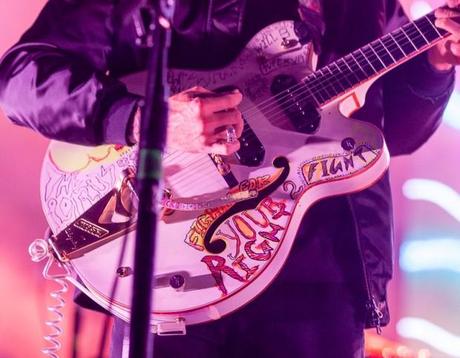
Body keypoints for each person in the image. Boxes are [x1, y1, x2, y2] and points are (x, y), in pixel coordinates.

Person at [0, 0, 459, 357]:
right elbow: (22, 76)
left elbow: (388, 135)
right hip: (175, 266)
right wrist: (147, 120)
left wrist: (434, 68)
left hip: (323, 280)